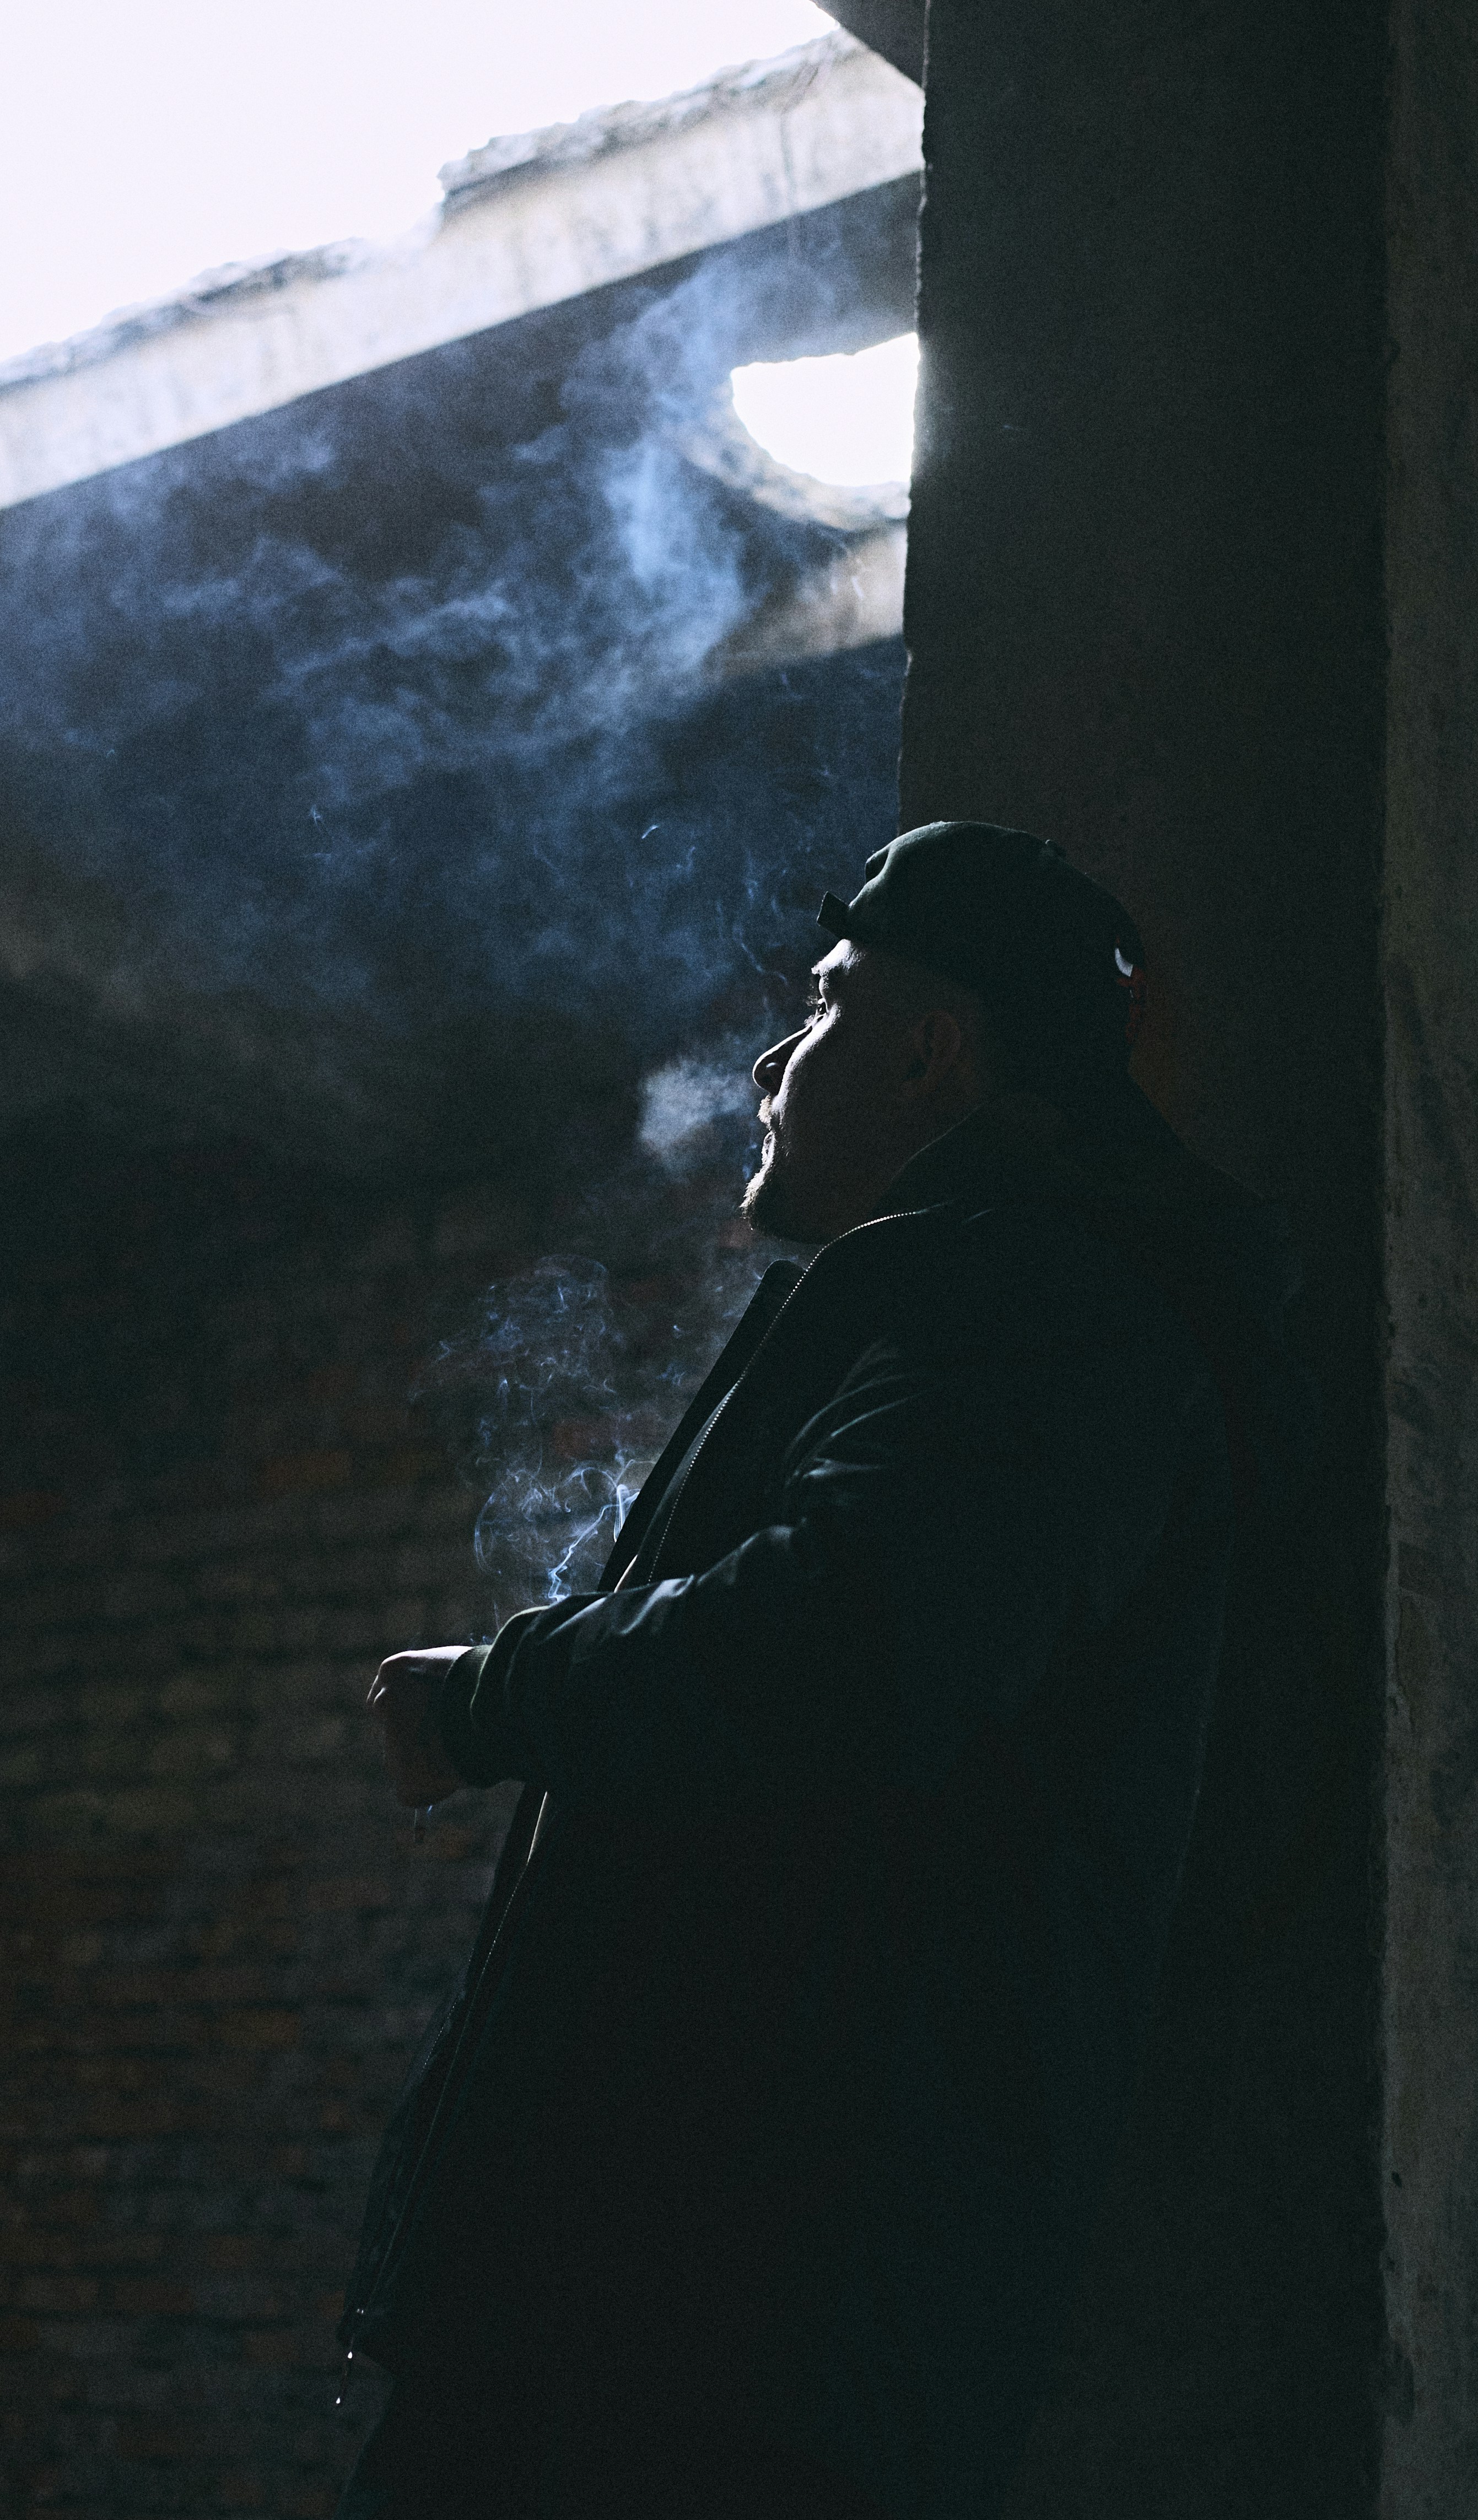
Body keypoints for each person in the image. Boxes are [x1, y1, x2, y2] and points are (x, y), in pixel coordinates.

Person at [339, 821, 1301, 2520]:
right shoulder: (979, 1300)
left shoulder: (1027, 1303)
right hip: (696, 2293)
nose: (777, 1060)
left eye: (828, 1003)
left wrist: (493, 1698)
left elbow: (846, 1645)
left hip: (726, 2304)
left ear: (934, 1054)